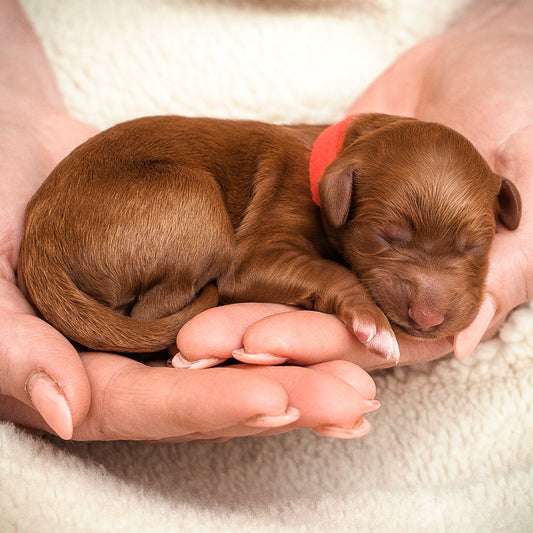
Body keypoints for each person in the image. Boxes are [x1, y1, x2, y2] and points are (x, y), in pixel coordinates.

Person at [0, 0, 531, 442]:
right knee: (203, 222)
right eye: (390, 238)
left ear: (502, 207)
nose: (429, 307)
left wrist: (506, 29)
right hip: (107, 220)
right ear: (340, 192)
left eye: (469, 248)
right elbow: (250, 268)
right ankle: (161, 307)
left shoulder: (366, 177)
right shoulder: (293, 180)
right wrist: (342, 291)